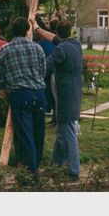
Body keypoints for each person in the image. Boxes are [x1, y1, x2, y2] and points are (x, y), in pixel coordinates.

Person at [0, 16, 46, 173]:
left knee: (24, 134)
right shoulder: (37, 48)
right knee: (38, 132)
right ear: (26, 30)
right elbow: (43, 71)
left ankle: (29, 172)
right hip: (39, 94)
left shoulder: (5, 49)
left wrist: (2, 91)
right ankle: (36, 165)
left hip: (21, 95)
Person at [33, 18, 83, 180]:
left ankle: (74, 170)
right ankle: (55, 166)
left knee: (68, 133)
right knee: (62, 132)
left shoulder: (60, 50)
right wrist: (37, 29)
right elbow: (55, 39)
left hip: (65, 95)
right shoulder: (75, 45)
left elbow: (46, 67)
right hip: (75, 92)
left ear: (57, 33)